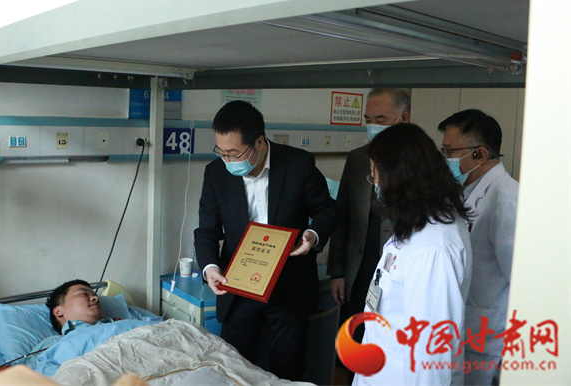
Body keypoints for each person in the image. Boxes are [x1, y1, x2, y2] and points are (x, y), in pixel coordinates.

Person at [193, 100, 336, 381]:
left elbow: (326, 210)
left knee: (287, 368)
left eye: (234, 153)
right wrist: (210, 268)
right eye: (221, 152)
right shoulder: (216, 173)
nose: (227, 160)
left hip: (289, 286)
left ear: (259, 142)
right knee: (236, 368)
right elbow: (207, 230)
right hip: (239, 287)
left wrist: (312, 236)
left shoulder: (297, 164)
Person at [353, 123, 472, 385]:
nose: (375, 184)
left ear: (398, 177)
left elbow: (432, 353)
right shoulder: (416, 223)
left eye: (375, 175)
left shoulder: (434, 249)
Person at [438, 109, 518, 385]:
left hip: (488, 334)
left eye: (450, 151)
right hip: (463, 325)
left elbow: (519, 280)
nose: (445, 158)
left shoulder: (506, 199)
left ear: (480, 154)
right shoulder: (462, 193)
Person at [327, 88, 411, 349]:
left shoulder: (417, 163)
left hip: (396, 269)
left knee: (387, 342)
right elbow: (342, 217)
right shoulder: (358, 159)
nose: (373, 126)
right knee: (354, 341)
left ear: (403, 119)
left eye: (381, 120)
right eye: (369, 120)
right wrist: (337, 272)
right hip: (359, 268)